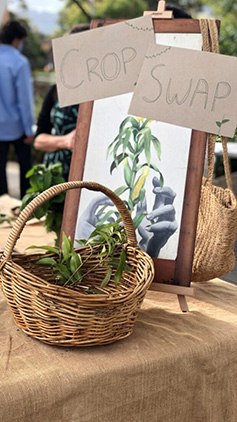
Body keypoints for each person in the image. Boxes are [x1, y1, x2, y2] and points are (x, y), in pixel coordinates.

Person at [34, 23, 90, 181]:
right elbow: (39, 141)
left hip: (91, 178)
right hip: (55, 178)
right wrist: (65, 141)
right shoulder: (55, 91)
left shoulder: (106, 96)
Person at [0, 20, 34, 199]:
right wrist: (29, 129)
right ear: (16, 40)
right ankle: (26, 210)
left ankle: (2, 212)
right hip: (17, 126)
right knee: (25, 169)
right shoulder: (19, 62)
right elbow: (25, 100)